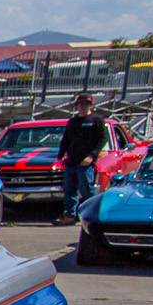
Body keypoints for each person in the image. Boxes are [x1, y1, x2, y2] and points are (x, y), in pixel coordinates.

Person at [57, 93, 105, 222]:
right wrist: (60, 155)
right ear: (76, 105)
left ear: (91, 105)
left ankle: (92, 215)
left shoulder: (96, 120)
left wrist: (92, 156)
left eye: (86, 104)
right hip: (71, 161)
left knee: (87, 190)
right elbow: (66, 140)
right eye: (80, 104)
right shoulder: (72, 121)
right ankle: (70, 215)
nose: (83, 106)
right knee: (69, 190)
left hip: (85, 163)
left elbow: (102, 139)